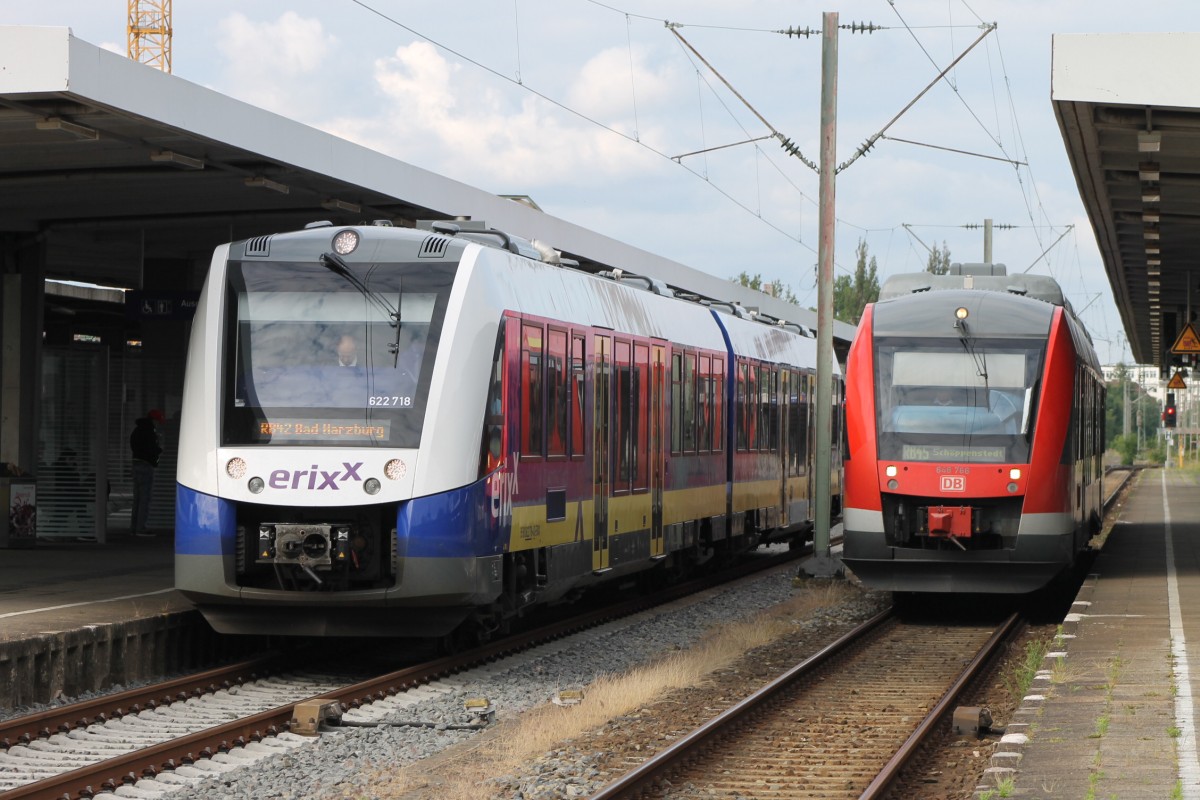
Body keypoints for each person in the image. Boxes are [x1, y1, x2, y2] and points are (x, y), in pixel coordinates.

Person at [129, 409, 164, 537]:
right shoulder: (149, 432)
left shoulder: (137, 430)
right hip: (145, 465)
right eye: (158, 421)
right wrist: (159, 450)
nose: (159, 424)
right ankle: (140, 528)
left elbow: (134, 446)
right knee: (145, 498)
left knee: (137, 499)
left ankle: (134, 527)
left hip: (136, 464)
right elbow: (152, 448)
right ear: (153, 420)